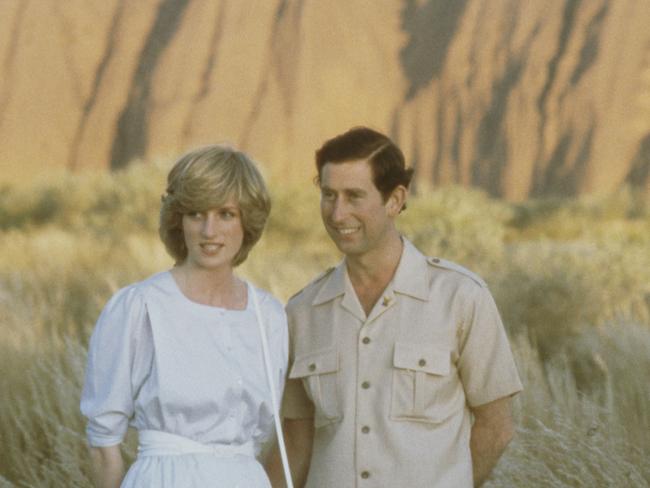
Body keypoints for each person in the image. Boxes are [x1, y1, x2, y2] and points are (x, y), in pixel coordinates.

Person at [267, 127, 523, 487]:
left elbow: (497, 429)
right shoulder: (302, 312)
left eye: (354, 196)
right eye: (328, 195)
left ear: (395, 200)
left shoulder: (461, 298)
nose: (338, 214)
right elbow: (294, 443)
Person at [80, 145, 288, 488]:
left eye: (226, 214)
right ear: (178, 220)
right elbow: (104, 444)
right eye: (196, 214)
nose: (209, 231)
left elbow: (267, 432)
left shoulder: (268, 316)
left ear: (247, 221)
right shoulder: (140, 307)